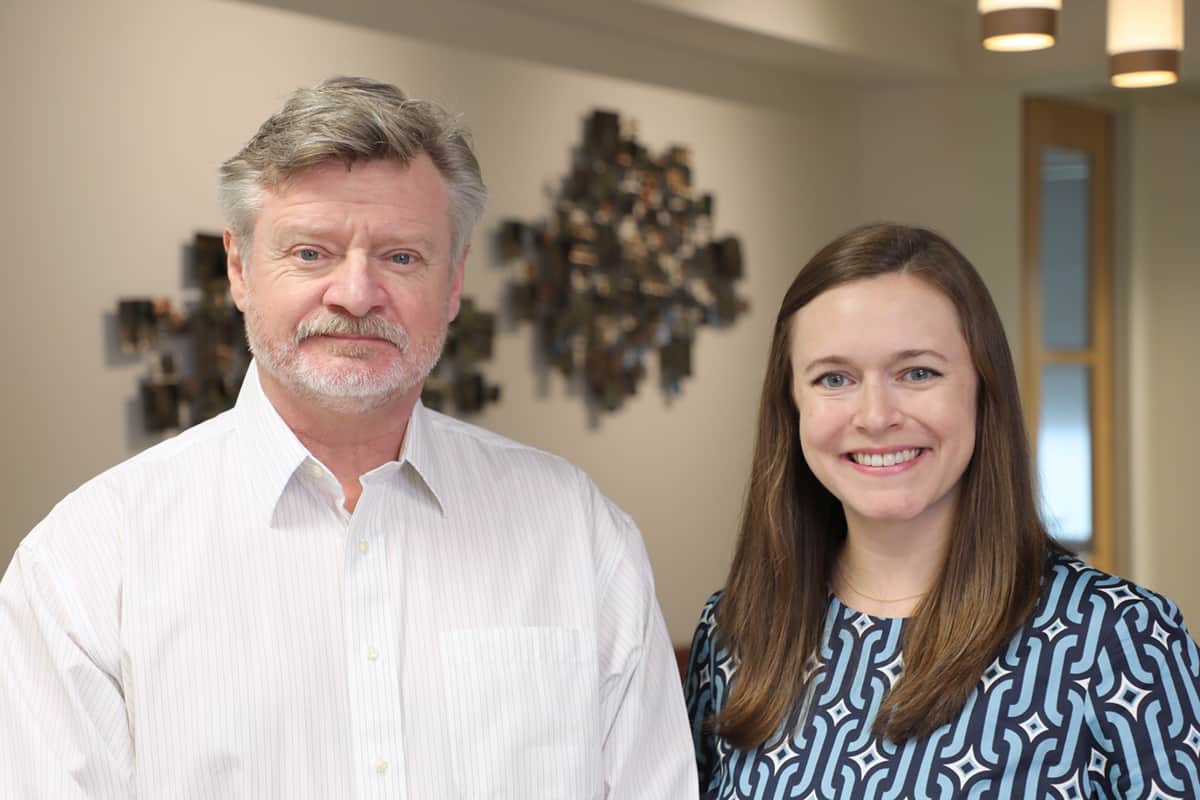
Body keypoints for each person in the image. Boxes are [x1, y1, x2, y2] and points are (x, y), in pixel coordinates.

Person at [0, 76, 696, 798]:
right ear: (239, 269)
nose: (356, 295)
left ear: (453, 283)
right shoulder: (85, 566)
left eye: (402, 257)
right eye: (310, 254)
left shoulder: (578, 536)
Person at [684, 223, 1200, 798]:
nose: (876, 416)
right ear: (792, 405)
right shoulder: (734, 634)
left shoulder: (1121, 638)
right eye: (835, 378)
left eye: (918, 372)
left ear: (984, 388)